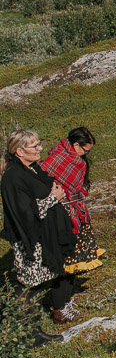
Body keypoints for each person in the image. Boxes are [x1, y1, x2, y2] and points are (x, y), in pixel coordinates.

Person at [2, 130, 79, 328]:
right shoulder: (13, 177)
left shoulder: (32, 169)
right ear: (19, 151)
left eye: (39, 144)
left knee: (39, 280)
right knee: (30, 284)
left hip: (43, 234)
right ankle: (25, 330)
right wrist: (54, 198)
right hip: (29, 237)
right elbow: (25, 213)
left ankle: (32, 330)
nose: (40, 149)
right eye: (34, 146)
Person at [40, 127, 103, 274]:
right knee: (68, 242)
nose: (86, 154)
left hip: (75, 205)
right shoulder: (56, 159)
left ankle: (76, 268)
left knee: (79, 239)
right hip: (64, 208)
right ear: (76, 145)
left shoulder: (75, 158)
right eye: (86, 151)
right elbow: (44, 178)